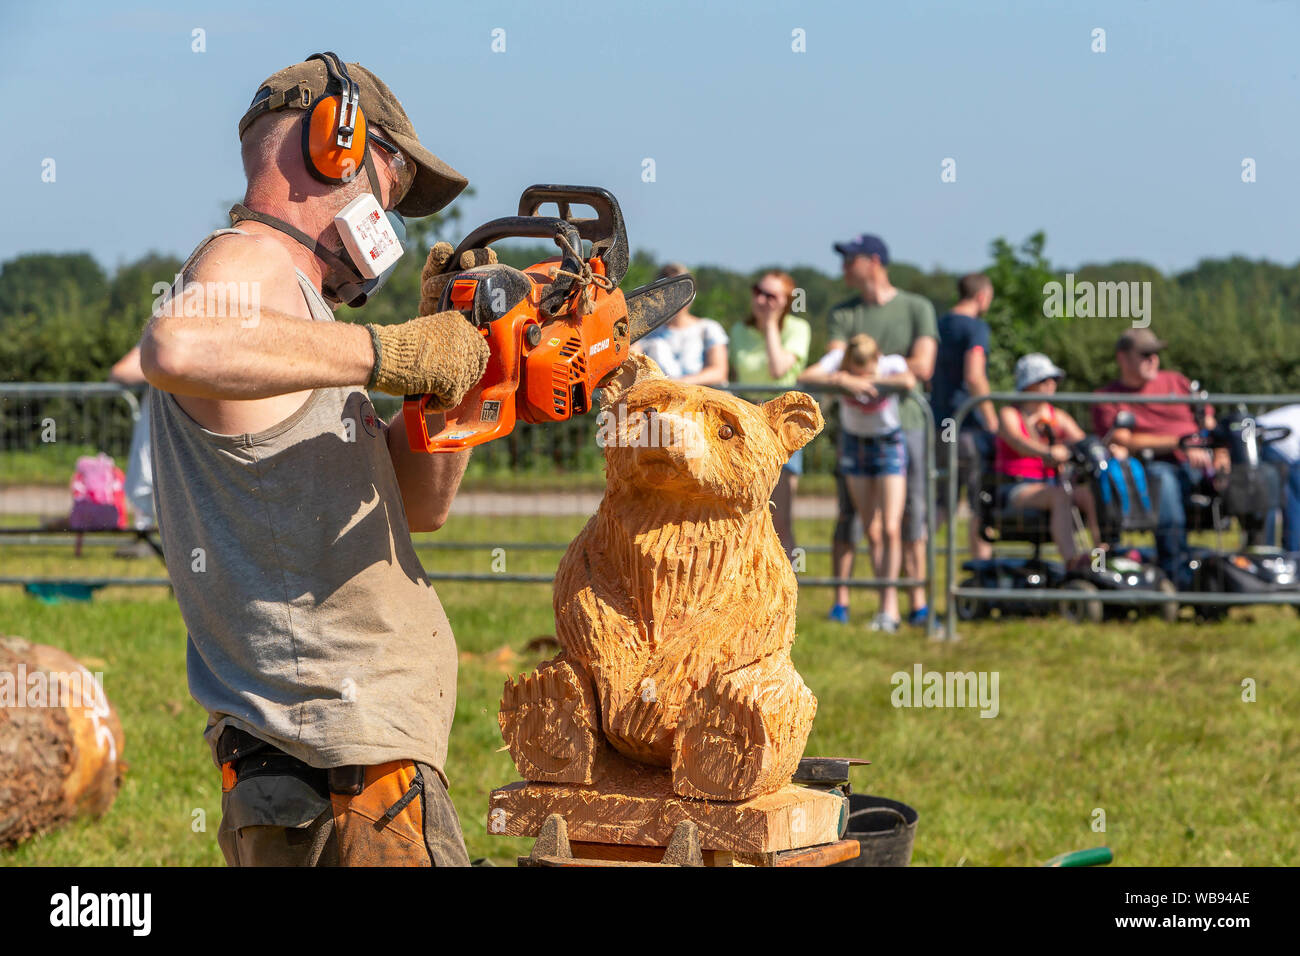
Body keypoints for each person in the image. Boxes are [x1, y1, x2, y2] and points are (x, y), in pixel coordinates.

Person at [139, 53, 490, 867]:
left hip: (346, 770)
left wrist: (463, 380)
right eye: (389, 191)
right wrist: (386, 350)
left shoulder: (299, 324)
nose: (390, 226)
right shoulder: (251, 260)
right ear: (338, 144)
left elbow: (419, 508)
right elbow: (176, 340)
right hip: (340, 779)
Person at [822, 234, 937, 626]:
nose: (843, 267)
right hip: (857, 431)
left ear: (873, 261)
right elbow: (836, 365)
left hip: (909, 427)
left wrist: (866, 372)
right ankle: (881, 604)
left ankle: (918, 602)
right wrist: (869, 374)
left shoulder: (917, 307)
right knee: (857, 518)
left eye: (850, 258)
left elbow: (923, 366)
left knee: (912, 516)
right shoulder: (842, 312)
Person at [1092, 329, 1227, 584]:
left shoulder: (1177, 381)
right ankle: (1176, 572)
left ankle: (1256, 564)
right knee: (1163, 481)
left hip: (1201, 463)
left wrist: (1220, 453)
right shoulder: (1107, 397)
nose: (1153, 359)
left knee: (1258, 474)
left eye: (1155, 353)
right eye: (1145, 354)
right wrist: (1181, 444)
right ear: (1122, 358)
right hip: (1150, 467)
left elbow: (1208, 420)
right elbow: (1123, 440)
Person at [801, 335, 916, 632]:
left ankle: (890, 608)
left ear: (877, 358)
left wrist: (879, 379)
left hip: (889, 444)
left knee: (892, 526)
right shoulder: (838, 363)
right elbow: (806, 376)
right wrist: (842, 380)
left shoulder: (890, 363)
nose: (864, 383)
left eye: (868, 373)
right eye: (858, 372)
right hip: (854, 445)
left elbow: (909, 380)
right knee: (872, 529)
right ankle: (881, 604)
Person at [729, 270, 812, 558]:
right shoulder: (739, 331)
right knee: (745, 517)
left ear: (786, 302)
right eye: (758, 292)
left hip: (783, 426)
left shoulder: (798, 329)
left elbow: (779, 370)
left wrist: (771, 326)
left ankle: (787, 592)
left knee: (780, 520)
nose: (762, 300)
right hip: (747, 425)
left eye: (771, 296)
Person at [995, 354, 1101, 566]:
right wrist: (1048, 452)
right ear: (1028, 384)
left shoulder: (1057, 416)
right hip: (1017, 487)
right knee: (1060, 496)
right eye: (1045, 379)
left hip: (1052, 484)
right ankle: (1072, 560)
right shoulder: (1009, 414)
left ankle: (1102, 555)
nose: (1052, 384)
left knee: (1088, 494)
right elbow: (1017, 440)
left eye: (1054, 379)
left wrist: (1104, 450)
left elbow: (1081, 441)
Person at [930, 274, 998, 563]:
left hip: (938, 423)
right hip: (968, 428)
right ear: (982, 296)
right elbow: (974, 375)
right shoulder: (976, 328)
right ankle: (982, 573)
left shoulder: (938, 324)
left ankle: (916, 564)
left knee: (942, 502)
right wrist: (992, 419)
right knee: (979, 503)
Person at [629, 263, 729, 384]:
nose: (675, 298)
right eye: (667, 292)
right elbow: (631, 365)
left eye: (681, 290)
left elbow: (718, 372)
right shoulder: (646, 333)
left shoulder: (708, 328)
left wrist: (679, 385)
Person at [108, 342, 157, 558]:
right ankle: (145, 537)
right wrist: (166, 371)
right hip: (158, 428)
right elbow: (120, 372)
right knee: (145, 479)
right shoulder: (164, 331)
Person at [1256, 404, 1300, 551]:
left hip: (1260, 434)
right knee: (1293, 503)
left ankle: (1268, 550)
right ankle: (1293, 553)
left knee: (1270, 503)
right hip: (1272, 441)